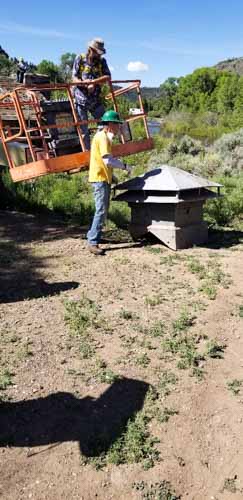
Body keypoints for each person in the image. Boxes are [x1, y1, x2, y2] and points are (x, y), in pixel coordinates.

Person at [87, 110, 132, 255]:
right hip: (99, 179)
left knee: (102, 210)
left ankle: (93, 237)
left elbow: (102, 161)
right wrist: (125, 167)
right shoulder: (103, 138)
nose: (119, 128)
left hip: (102, 177)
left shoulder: (102, 137)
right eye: (117, 125)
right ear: (110, 124)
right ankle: (93, 242)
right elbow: (107, 160)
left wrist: (111, 177)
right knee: (101, 210)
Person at [72, 38, 111, 151]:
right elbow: (74, 77)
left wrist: (94, 82)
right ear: (90, 49)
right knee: (83, 129)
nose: (98, 54)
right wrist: (84, 84)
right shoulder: (80, 58)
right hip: (80, 99)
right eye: (96, 52)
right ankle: (87, 156)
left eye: (99, 52)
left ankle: (98, 149)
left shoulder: (102, 62)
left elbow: (108, 77)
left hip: (95, 99)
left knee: (105, 123)